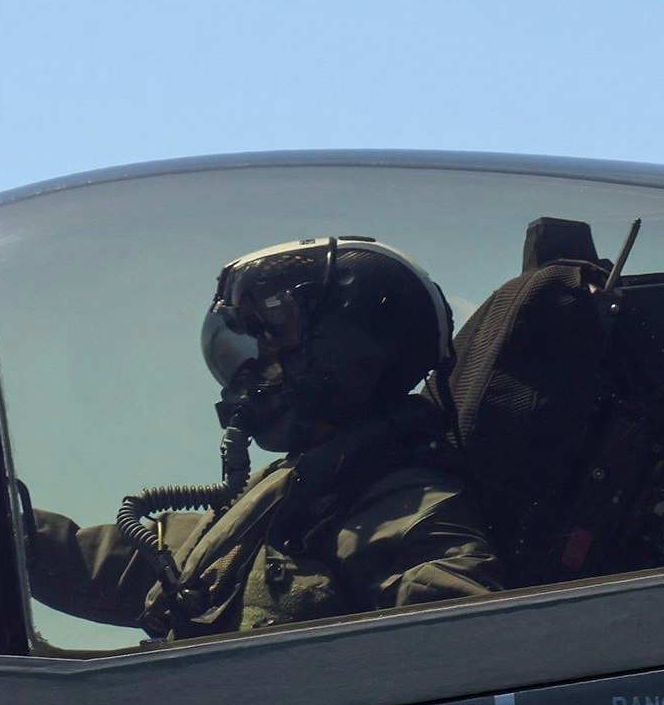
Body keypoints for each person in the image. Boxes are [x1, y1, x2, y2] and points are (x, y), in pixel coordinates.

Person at [25, 237, 506, 640]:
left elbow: (470, 654)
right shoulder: (285, 493)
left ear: (348, 348)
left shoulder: (410, 510)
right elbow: (132, 562)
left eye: (273, 338)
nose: (254, 367)